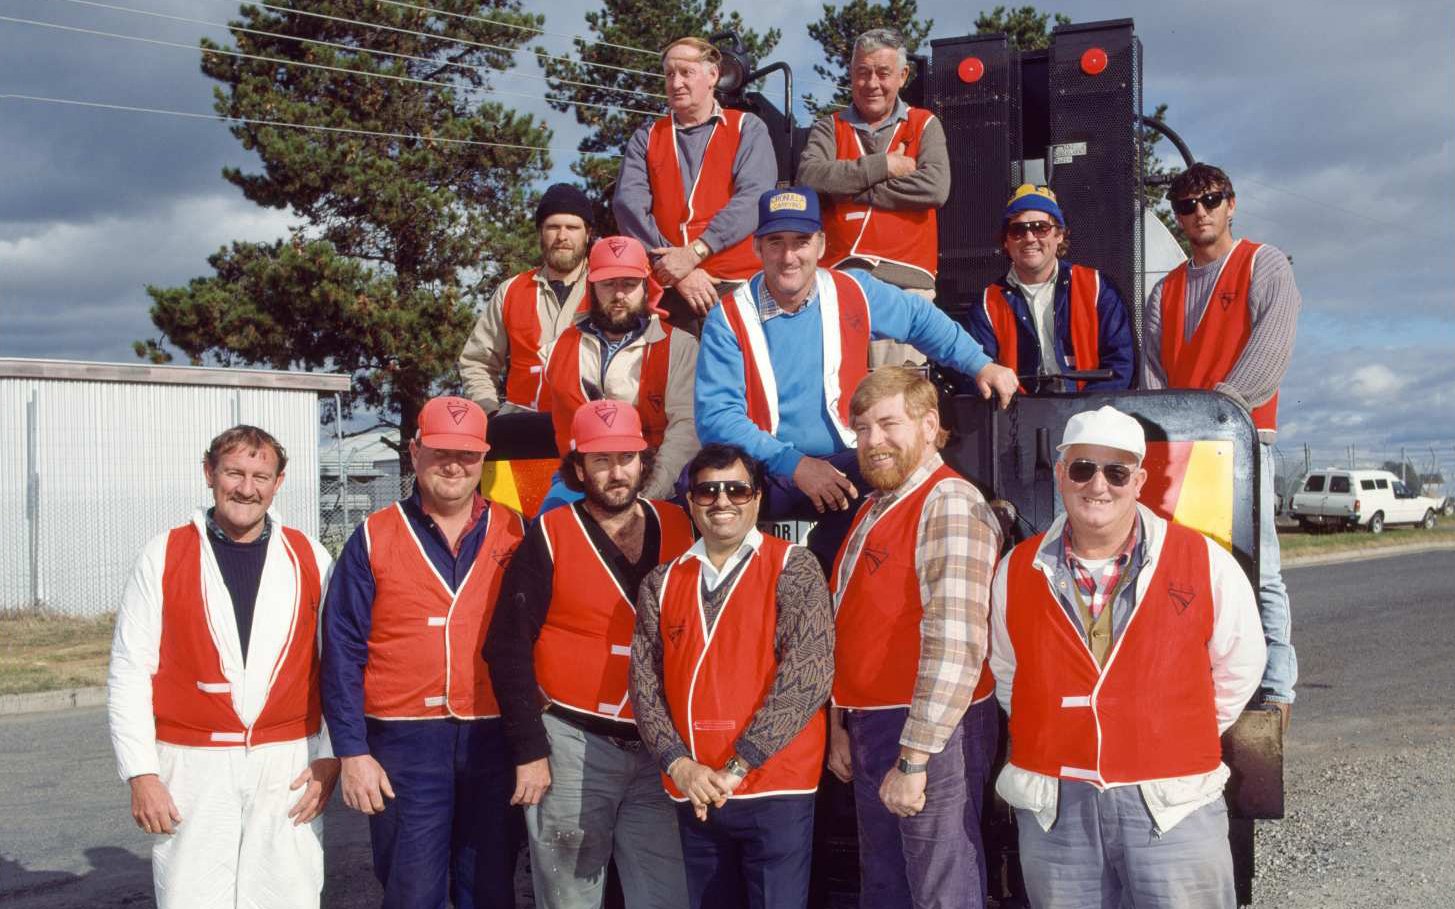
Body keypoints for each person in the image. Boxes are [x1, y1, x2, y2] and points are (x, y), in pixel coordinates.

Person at [989, 405, 1266, 909]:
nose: (1098, 485)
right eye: (1082, 468)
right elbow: (1008, 672)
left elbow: (1240, 665)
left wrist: (1168, 731)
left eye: (1116, 471)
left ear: (1139, 479)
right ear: (1060, 473)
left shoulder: (1205, 562)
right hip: (1057, 811)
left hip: (1172, 808)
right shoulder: (1014, 570)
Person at [694, 185, 1018, 568]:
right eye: (775, 242)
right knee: (698, 486)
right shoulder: (728, 317)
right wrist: (796, 465)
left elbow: (919, 318)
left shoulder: (853, 290)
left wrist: (979, 363)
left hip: (845, 461)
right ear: (757, 248)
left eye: (801, 241)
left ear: (821, 244)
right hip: (765, 469)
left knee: (906, 474)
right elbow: (717, 417)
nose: (789, 256)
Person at [108, 425, 336, 909]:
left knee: (288, 893)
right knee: (192, 895)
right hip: (191, 764)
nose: (246, 488)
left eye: (261, 475)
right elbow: (130, 670)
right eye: (234, 472)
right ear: (209, 473)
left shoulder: (310, 557)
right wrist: (142, 774)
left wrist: (331, 757)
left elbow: (340, 665)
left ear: (279, 481)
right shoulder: (163, 553)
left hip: (289, 760)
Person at [483, 400, 695, 908]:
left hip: (658, 747)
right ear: (578, 467)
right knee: (570, 897)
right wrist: (530, 751)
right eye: (600, 460)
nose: (615, 472)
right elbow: (507, 647)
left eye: (626, 457)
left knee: (666, 896)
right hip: (573, 745)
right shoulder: (551, 533)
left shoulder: (682, 527)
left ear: (644, 462)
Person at [321, 396, 525, 909]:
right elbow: (341, 649)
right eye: (440, 451)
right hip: (402, 740)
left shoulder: (517, 530)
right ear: (414, 453)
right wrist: (352, 751)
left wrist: (536, 746)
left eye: (468, 454)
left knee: (491, 887)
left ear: (484, 459)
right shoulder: (372, 535)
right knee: (412, 889)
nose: (454, 465)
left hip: (493, 736)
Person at [629, 444, 834, 909]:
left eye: (737, 490)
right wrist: (680, 765)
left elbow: (808, 677)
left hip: (774, 786)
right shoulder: (660, 583)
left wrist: (738, 766)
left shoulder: (794, 566)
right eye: (707, 491)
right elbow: (643, 685)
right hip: (695, 789)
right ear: (691, 502)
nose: (722, 501)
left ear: (757, 499)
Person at [826, 367, 1002, 908]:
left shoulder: (947, 501)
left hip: (931, 730)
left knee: (940, 888)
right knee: (887, 886)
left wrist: (915, 758)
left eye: (888, 424)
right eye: (862, 430)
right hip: (875, 727)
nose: (872, 441)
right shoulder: (875, 506)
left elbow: (956, 639)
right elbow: (848, 625)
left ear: (929, 425)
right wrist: (840, 725)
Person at [1142, 162, 1301, 727]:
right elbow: (1155, 376)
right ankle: (1196, 678)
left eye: (1210, 200)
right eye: (1186, 205)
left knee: (1256, 568)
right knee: (1184, 571)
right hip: (1182, 449)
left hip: (1239, 441)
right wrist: (1174, 426)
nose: (1199, 212)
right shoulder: (1166, 290)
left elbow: (1270, 354)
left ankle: (1276, 689)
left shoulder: (1264, 265)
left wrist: (1215, 412)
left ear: (1231, 204)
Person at [798, 27, 948, 369]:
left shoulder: (924, 125)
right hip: (837, 281)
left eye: (883, 73)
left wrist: (848, 190)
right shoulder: (829, 127)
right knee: (838, 396)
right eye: (863, 72)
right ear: (852, 75)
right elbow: (809, 177)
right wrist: (886, 165)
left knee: (897, 401)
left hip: (905, 283)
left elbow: (935, 188)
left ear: (903, 75)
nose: (872, 83)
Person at [613, 36, 778, 334]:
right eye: (669, 74)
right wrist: (676, 271)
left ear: (713, 75)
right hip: (671, 293)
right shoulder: (646, 137)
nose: (676, 83)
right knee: (673, 379)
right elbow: (628, 208)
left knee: (744, 378)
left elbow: (754, 198)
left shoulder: (748, 128)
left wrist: (695, 254)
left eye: (686, 73)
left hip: (738, 286)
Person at [538, 235, 699, 507]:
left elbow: (686, 429)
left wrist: (648, 492)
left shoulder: (680, 346)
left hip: (656, 482)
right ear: (592, 287)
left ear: (646, 286)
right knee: (549, 533)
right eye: (609, 284)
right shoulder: (555, 350)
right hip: (579, 484)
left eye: (629, 283)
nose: (620, 294)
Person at [963, 184, 1135, 392]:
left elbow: (1120, 366)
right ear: (1006, 241)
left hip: (1090, 414)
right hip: (1017, 416)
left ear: (1059, 234)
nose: (1029, 238)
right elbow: (979, 375)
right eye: (1018, 230)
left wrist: (1082, 414)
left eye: (1040, 228)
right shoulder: (986, 304)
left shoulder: (1098, 287)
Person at [460, 183, 596, 414]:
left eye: (572, 227)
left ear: (588, 233)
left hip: (589, 431)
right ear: (540, 233)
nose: (562, 236)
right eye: (553, 227)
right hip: (522, 431)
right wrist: (490, 411)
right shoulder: (511, 290)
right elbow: (477, 361)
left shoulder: (606, 287)